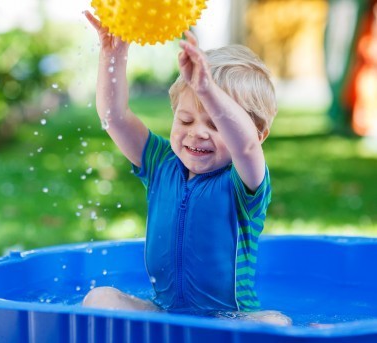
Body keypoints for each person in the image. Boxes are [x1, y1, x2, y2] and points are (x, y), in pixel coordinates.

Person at [82, 10, 291, 326]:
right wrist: (113, 57)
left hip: (230, 319)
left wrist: (208, 90)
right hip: (165, 316)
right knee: (100, 299)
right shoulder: (160, 163)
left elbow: (245, 145)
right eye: (186, 119)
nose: (198, 132)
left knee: (274, 323)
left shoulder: (244, 182)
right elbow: (115, 117)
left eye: (216, 123)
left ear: (259, 134)